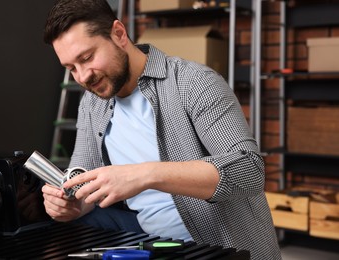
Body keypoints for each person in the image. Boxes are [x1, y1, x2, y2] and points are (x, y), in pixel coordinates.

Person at [41, 0, 282, 259]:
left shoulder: (194, 82)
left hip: (216, 244)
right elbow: (84, 183)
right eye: (71, 68)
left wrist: (145, 174)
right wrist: (73, 204)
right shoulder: (92, 103)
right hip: (151, 242)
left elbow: (249, 171)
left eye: (87, 58)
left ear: (119, 34)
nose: (82, 77)